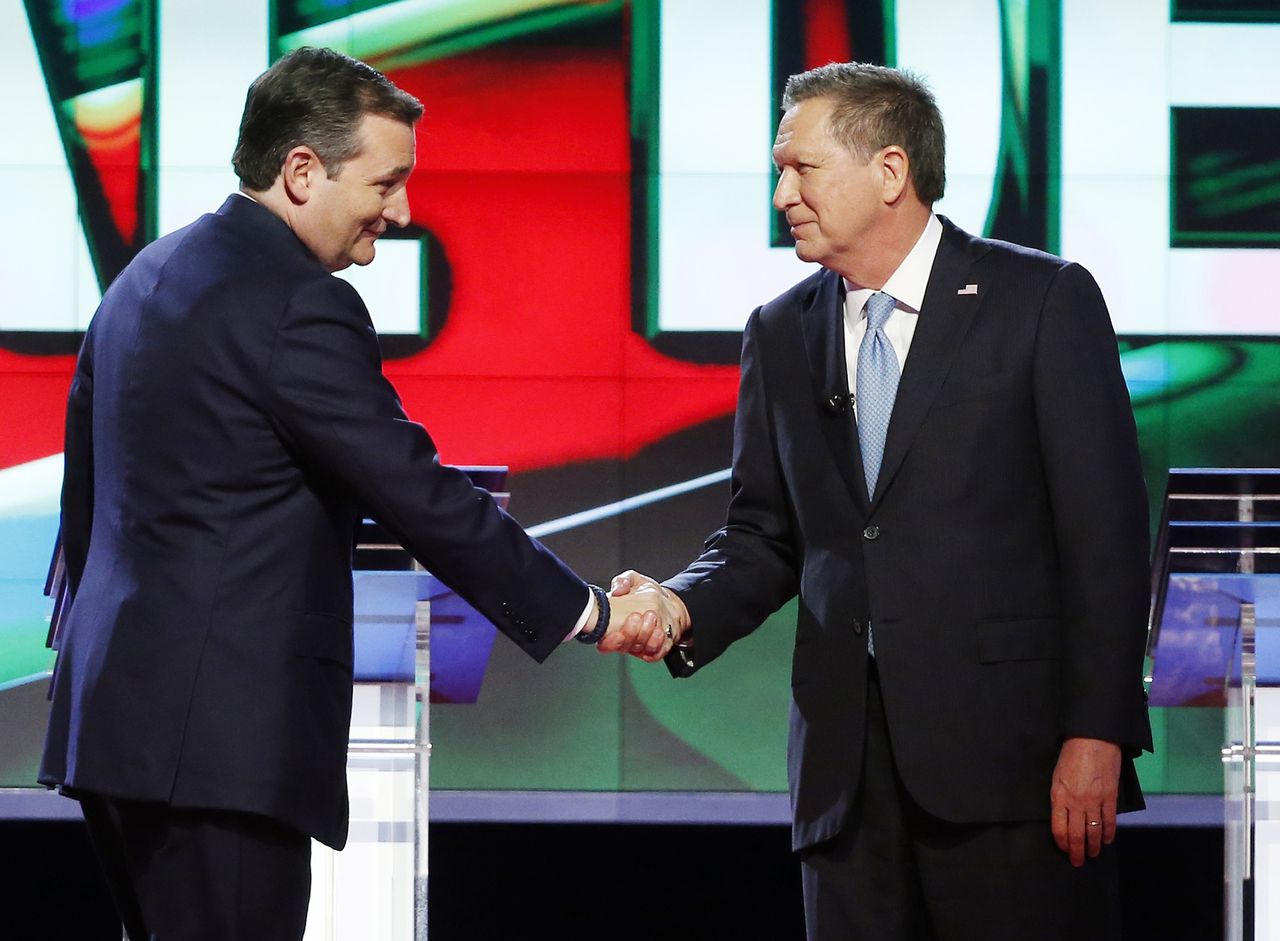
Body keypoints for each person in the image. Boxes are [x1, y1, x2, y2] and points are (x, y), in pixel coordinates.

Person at [40, 47, 666, 941]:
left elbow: (86, 505)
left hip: (115, 726)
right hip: (219, 746)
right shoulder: (296, 301)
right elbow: (414, 491)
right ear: (303, 170)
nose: (402, 210)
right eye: (387, 180)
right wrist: (591, 612)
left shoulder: (145, 276)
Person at [606, 62, 1152, 940]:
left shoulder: (1039, 301)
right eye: (779, 170)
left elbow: (1108, 539)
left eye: (801, 168)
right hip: (846, 783)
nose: (783, 192)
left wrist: (1098, 733)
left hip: (1013, 772)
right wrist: (677, 604)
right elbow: (763, 535)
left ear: (890, 171)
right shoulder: (782, 331)